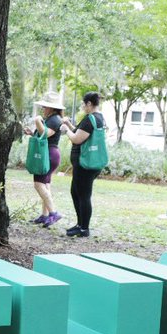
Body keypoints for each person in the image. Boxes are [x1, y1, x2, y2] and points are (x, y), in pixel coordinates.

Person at [63, 91, 105, 238]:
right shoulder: (98, 118)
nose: (82, 106)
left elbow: (76, 139)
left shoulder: (91, 118)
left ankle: (84, 228)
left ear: (89, 104)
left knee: (84, 195)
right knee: (76, 192)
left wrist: (66, 130)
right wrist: (69, 124)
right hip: (85, 163)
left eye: (83, 103)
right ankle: (80, 224)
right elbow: (82, 133)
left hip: (85, 164)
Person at [22, 92, 66, 227]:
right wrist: (32, 132)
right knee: (45, 185)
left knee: (38, 184)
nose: (43, 109)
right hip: (49, 153)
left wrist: (37, 121)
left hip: (48, 154)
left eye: (44, 106)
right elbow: (42, 134)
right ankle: (45, 215)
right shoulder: (52, 119)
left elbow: (46, 134)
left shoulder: (55, 119)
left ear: (51, 108)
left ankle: (54, 213)